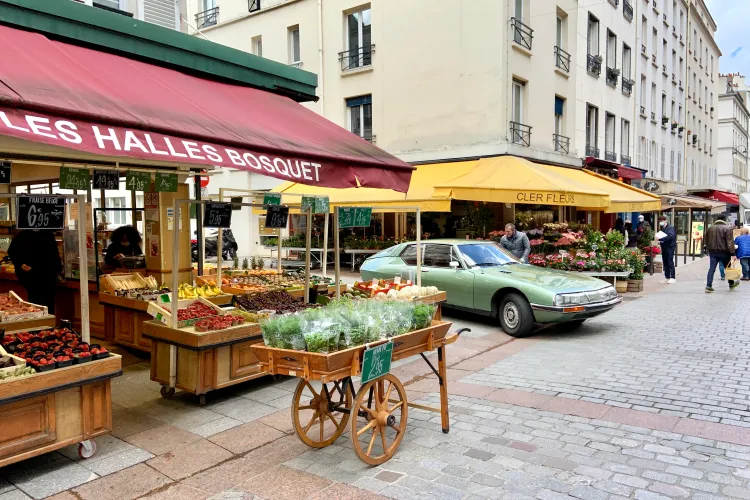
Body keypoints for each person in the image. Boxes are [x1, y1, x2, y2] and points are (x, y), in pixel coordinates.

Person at [7, 230, 62, 313]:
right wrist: (20, 264)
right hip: (31, 276)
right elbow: (12, 252)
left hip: (48, 274)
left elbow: (54, 254)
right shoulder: (22, 234)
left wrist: (58, 270)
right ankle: (38, 322)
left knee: (48, 302)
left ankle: (48, 322)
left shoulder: (48, 234)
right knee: (35, 302)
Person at [704, 215, 738, 293]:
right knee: (728, 268)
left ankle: (708, 286)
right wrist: (733, 253)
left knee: (711, 269)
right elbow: (729, 242)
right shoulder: (727, 228)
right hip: (724, 252)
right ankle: (731, 283)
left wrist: (708, 250)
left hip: (713, 252)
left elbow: (706, 240)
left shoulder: (710, 228)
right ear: (724, 219)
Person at [657, 216, 677, 284]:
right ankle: (667, 277)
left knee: (670, 261)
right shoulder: (663, 229)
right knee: (665, 262)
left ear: (665, 221)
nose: (661, 222)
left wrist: (662, 239)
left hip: (670, 247)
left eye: (662, 221)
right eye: (660, 221)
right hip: (664, 247)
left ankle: (672, 277)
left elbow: (670, 236)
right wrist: (659, 240)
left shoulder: (670, 228)